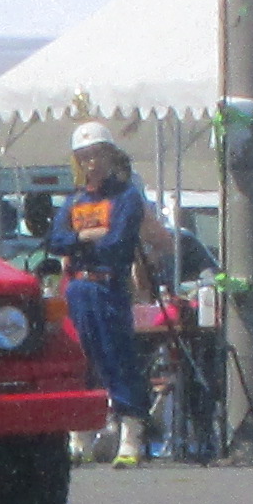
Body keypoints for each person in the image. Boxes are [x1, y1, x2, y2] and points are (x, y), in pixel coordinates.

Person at [51, 125, 155, 461]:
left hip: (108, 286)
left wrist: (84, 238)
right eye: (84, 157)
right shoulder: (74, 200)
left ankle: (131, 438)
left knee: (116, 358)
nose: (91, 163)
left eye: (96, 155)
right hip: (77, 287)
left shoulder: (125, 198)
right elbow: (55, 240)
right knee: (80, 361)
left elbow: (117, 243)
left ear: (109, 156)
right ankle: (78, 440)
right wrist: (86, 237)